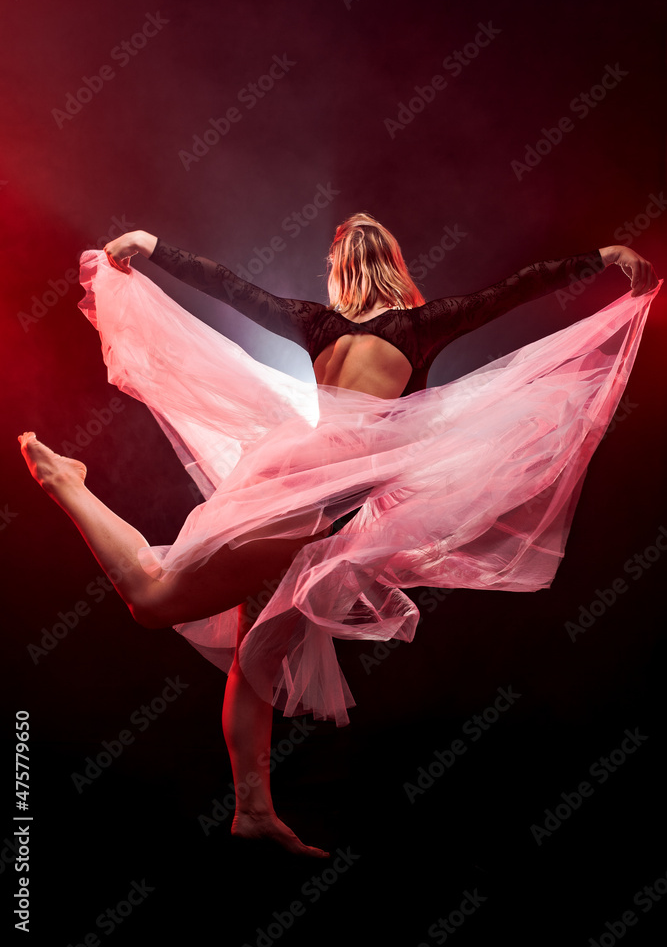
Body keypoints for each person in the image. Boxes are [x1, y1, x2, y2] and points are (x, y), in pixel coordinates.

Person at [19, 213, 660, 857]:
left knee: (259, 655)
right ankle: (66, 482)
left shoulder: (317, 322)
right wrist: (598, 257)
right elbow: (515, 289)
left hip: (312, 494)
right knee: (155, 603)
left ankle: (252, 812)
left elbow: (232, 289)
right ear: (395, 265)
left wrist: (155, 247)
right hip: (310, 497)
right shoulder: (420, 324)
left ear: (340, 269)